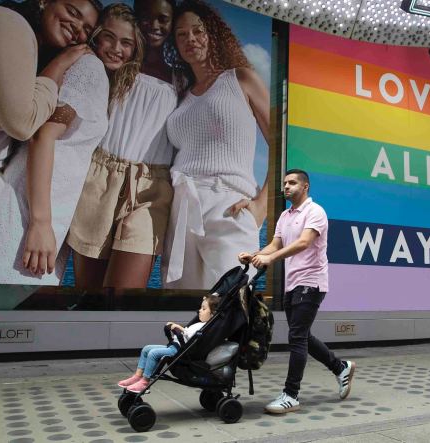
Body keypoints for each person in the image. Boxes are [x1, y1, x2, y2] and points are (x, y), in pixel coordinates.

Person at [0, 4, 135, 285]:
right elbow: (42, 135)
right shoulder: (90, 68)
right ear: (95, 39)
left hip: (38, 204)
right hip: (28, 210)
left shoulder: (89, 72)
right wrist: (41, 224)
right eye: (108, 36)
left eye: (127, 42)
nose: (116, 48)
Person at [67, 3, 179, 289]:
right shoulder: (116, 65)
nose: (153, 24)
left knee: (124, 298)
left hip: (151, 188)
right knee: (88, 294)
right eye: (145, 16)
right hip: (101, 178)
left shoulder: (182, 77)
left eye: (162, 18)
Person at [161, 0, 269, 290]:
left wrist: (262, 205)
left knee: (231, 306)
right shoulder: (182, 94)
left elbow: (285, 145)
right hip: (181, 206)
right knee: (182, 310)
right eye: (181, 34)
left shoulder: (241, 78)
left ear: (213, 34)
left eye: (198, 30)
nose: (190, 39)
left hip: (228, 204)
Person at [238, 169, 354, 414]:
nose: (286, 187)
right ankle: (340, 367)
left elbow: (303, 243)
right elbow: (275, 244)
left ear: (306, 186)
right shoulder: (284, 216)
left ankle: (291, 395)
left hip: (311, 283)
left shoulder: (315, 212)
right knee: (302, 336)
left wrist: (271, 260)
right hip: (293, 282)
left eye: (292, 183)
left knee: (297, 338)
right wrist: (257, 254)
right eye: (284, 183)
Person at [118, 295, 219, 393]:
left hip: (179, 349)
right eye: (201, 308)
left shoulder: (205, 327)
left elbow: (191, 336)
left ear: (213, 314)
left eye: (204, 309)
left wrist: (179, 328)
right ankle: (137, 376)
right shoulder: (199, 324)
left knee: (153, 353)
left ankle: (145, 381)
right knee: (146, 348)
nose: (199, 310)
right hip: (175, 345)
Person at [134, 0, 177, 83]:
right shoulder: (118, 65)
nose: (154, 26)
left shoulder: (179, 80)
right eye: (146, 17)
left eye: (163, 20)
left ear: (172, 24)